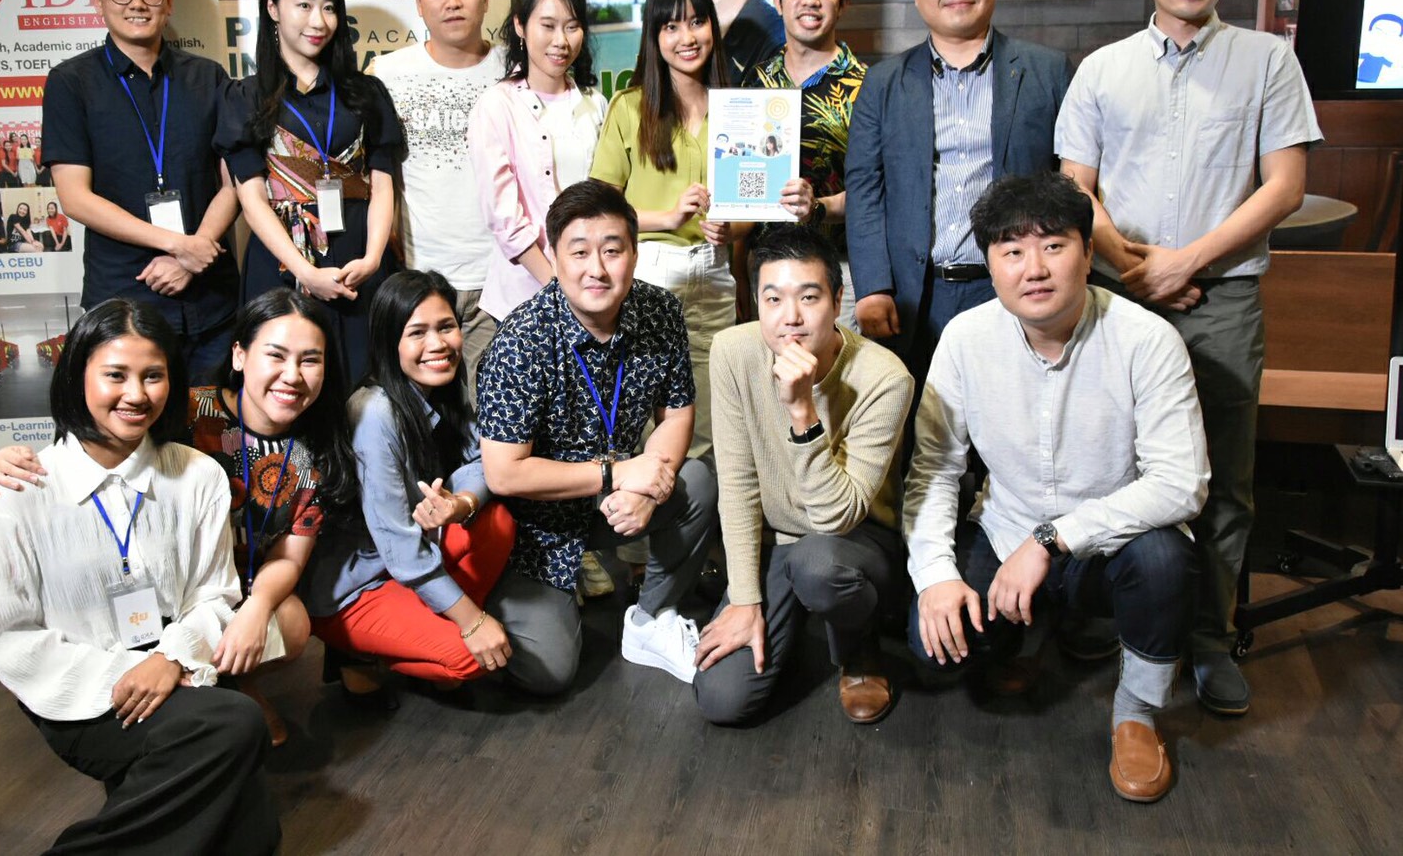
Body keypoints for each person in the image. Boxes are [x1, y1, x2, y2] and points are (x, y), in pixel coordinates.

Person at [1055, 0, 1322, 716]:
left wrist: (1187, 262)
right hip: (1118, 297)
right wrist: (1134, 267)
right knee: (1108, 464)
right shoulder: (1103, 69)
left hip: (1224, 299)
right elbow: (1076, 186)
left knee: (1222, 475)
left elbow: (1284, 186)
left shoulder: (1268, 60)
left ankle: (1211, 634)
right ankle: (1113, 614)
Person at [904, 171, 1207, 803]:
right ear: (991, 266)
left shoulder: (1147, 339)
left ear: (1089, 254)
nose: (1034, 269)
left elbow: (1182, 483)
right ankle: (1028, 630)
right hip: (1005, 530)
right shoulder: (965, 339)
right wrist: (934, 577)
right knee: (935, 646)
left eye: (1053, 246)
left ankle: (1136, 711)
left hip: (1110, 547)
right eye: (1012, 251)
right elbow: (934, 468)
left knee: (1165, 561)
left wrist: (1052, 539)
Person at [0, 298, 280, 855]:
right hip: (79, 685)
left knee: (254, 838)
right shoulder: (25, 487)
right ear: (78, 376)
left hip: (179, 664)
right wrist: (129, 671)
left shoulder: (198, 476)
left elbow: (215, 595)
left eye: (153, 376)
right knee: (236, 726)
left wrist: (170, 659)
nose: (136, 394)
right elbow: (9, 635)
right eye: (115, 375)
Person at [0, 289, 358, 747]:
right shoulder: (182, 408)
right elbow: (98, 445)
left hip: (233, 586)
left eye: (310, 360)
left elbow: (289, 556)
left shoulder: (319, 448)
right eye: (276, 355)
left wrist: (256, 607)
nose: (292, 375)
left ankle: (227, 684)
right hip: (163, 577)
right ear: (240, 355)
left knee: (292, 622)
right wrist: (13, 461)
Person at [475, 180, 718, 693]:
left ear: (635, 253)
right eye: (579, 252)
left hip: (616, 499)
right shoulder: (521, 340)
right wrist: (618, 473)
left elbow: (676, 415)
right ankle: (506, 596)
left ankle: (651, 618)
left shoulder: (659, 312)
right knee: (550, 671)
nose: (597, 269)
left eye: (612, 250)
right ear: (554, 257)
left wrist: (647, 488)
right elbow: (503, 473)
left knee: (697, 481)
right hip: (534, 526)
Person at [693, 224, 912, 726]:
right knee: (723, 699)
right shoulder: (733, 351)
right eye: (773, 299)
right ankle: (783, 628)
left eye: (809, 297)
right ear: (756, 303)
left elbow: (837, 516)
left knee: (819, 566)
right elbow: (738, 483)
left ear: (838, 301)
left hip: (853, 541)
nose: (790, 317)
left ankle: (858, 646)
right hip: (778, 539)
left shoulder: (884, 377)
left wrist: (802, 413)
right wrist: (745, 600)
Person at [845, 0, 1072, 380]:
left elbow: (1070, 184)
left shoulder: (1048, 72)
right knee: (916, 420)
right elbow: (865, 190)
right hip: (913, 296)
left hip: (1012, 289)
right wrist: (872, 287)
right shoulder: (883, 83)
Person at [304, 270, 518, 689]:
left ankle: (424, 627)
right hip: (359, 584)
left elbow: (483, 462)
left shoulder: (444, 386)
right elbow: (399, 547)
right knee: (468, 659)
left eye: (446, 327)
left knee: (497, 521)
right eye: (417, 332)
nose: (438, 344)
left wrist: (460, 503)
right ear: (390, 343)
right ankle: (360, 654)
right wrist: (473, 622)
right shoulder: (375, 412)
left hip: (407, 558)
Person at [43, 0, 240, 383]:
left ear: (167, 0)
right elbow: (75, 198)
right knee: (134, 422)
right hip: (123, 301)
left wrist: (193, 253)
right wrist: (179, 246)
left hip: (212, 301)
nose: (136, 4)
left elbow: (235, 183)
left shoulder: (207, 77)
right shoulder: (71, 83)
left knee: (214, 424)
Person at [218, 0, 404, 390]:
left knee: (368, 386)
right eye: (303, 5)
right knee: (289, 386)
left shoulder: (366, 93)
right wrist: (304, 272)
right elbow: (251, 199)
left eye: (329, 7)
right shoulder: (244, 97)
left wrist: (373, 259)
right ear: (272, 7)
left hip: (360, 260)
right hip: (283, 266)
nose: (318, 21)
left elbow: (383, 185)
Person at [590, 0, 740, 460]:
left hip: (716, 272)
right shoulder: (629, 107)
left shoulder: (738, 107)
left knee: (712, 420)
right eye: (671, 27)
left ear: (713, 27)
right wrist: (667, 216)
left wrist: (732, 227)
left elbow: (754, 209)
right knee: (640, 414)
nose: (686, 37)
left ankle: (697, 508)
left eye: (697, 22)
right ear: (654, 38)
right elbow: (602, 211)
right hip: (650, 272)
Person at [371, 0, 504, 399]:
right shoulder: (386, 75)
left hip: (500, 281)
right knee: (424, 416)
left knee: (491, 416)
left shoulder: (514, 71)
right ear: (418, 2)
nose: (453, 2)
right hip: (421, 280)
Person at [469, 0, 610, 327]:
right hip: (521, 303)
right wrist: (558, 289)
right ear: (520, 25)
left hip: (592, 296)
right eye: (548, 26)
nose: (561, 41)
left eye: (572, 26)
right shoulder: (496, 106)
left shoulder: (595, 104)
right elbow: (504, 218)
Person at [748, 0, 869, 331]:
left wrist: (820, 207)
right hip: (768, 271)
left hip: (840, 272)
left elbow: (877, 191)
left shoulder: (869, 88)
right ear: (778, 1)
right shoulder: (755, 83)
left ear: (843, 2)